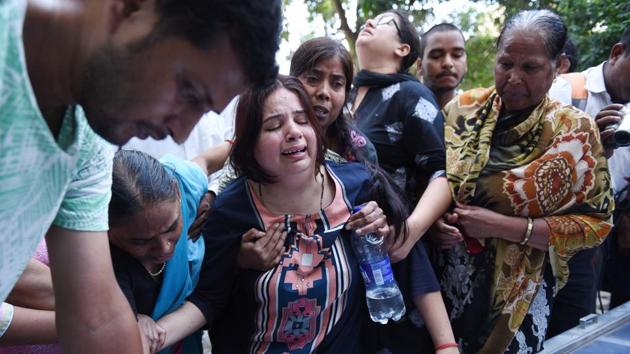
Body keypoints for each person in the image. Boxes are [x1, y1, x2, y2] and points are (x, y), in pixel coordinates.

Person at [0, 0, 282, 352]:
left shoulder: (87, 143)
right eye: (188, 92)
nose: (180, 135)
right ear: (132, 8)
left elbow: (96, 316)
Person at [161, 75, 403, 353]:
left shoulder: (357, 187)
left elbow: (400, 249)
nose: (293, 132)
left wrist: (382, 230)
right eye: (274, 125)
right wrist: (153, 334)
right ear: (249, 144)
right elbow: (207, 299)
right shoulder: (230, 212)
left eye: (302, 121)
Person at [434, 9, 613, 353]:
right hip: (447, 279)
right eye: (505, 64)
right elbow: (435, 180)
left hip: (522, 292)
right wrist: (436, 221)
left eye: (529, 67)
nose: (514, 77)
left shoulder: (574, 131)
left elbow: (596, 224)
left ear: (558, 66)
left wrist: (503, 227)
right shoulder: (462, 111)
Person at [351, 9, 457, 353]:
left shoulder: (411, 95)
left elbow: (442, 175)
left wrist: (409, 232)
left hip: (395, 257)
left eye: (383, 23)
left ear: (403, 49)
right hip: (344, 257)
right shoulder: (343, 99)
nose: (369, 23)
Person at [549, 26, 630, 325]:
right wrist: (588, 141)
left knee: (575, 325)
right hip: (548, 234)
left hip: (595, 239)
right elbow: (535, 166)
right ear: (617, 53)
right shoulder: (565, 88)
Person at [417, 23, 468, 109]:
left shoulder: (479, 113)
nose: (448, 63)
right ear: (419, 65)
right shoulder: (399, 110)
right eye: (436, 55)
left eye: (457, 55)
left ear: (466, 63)